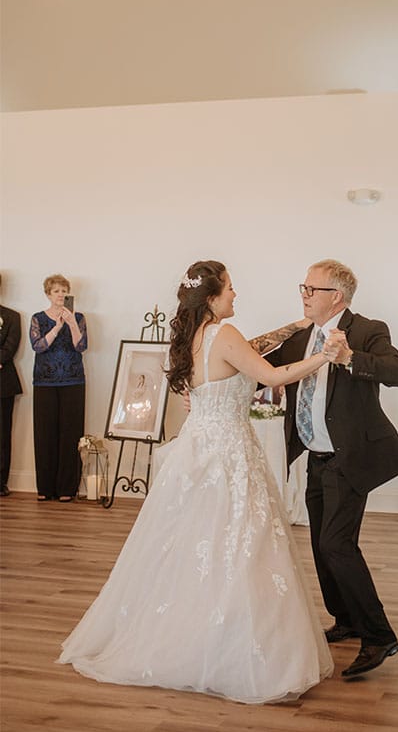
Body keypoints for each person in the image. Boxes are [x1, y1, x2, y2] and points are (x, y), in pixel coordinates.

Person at [59, 260, 335, 704]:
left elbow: (250, 350)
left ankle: (192, 637)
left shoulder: (193, 337)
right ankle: (230, 649)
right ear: (211, 297)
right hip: (229, 455)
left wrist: (296, 325)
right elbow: (273, 374)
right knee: (240, 546)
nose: (235, 294)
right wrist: (325, 354)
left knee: (192, 546)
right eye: (229, 288)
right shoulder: (225, 335)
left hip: (197, 449)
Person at [264, 259, 398, 679]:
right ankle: (346, 618)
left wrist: (351, 357)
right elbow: (259, 370)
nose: (304, 295)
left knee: (337, 544)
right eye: (304, 288)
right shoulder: (300, 337)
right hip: (314, 456)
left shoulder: (368, 329)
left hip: (351, 458)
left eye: (311, 289)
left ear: (338, 296)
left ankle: (379, 635)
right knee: (320, 543)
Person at [30, 274, 87, 502]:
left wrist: (71, 323)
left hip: (73, 381)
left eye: (64, 291)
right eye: (56, 291)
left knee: (70, 433)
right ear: (48, 294)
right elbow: (38, 346)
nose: (61, 295)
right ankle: (45, 488)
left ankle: (67, 489)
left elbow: (81, 346)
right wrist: (56, 327)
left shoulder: (80, 317)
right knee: (45, 434)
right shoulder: (38, 318)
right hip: (44, 382)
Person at [0, 277, 23, 497]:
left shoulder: (11, 316)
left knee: (2, 434)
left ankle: (0, 482)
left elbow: (11, 345)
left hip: (3, 383)